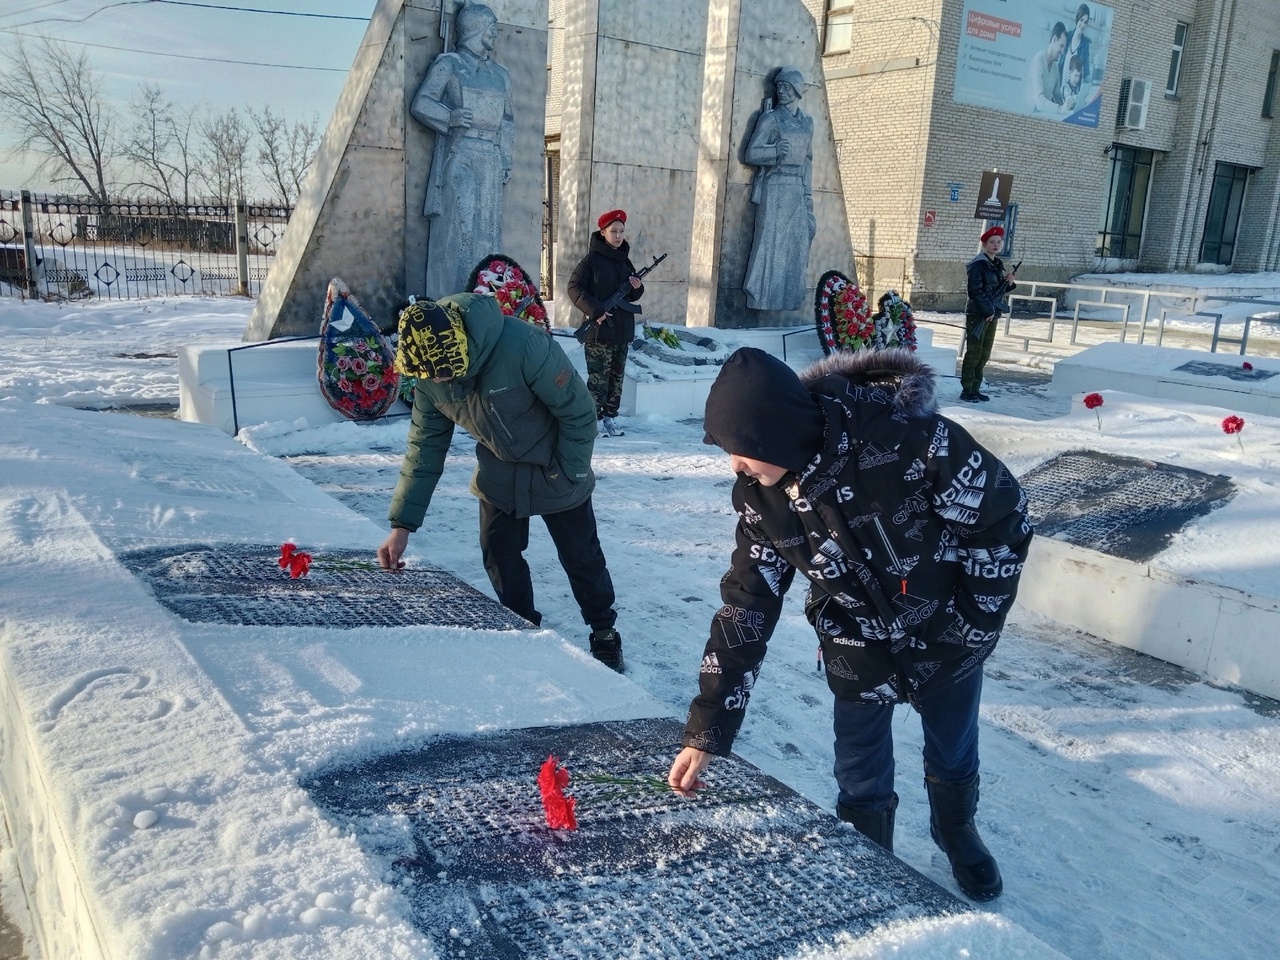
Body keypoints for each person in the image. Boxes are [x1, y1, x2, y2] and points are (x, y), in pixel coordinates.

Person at [667, 346, 1033, 902]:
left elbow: (1003, 520)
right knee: (858, 764)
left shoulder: (912, 440)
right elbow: (748, 602)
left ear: (778, 434)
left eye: (740, 452)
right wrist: (708, 728)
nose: (733, 468)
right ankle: (869, 858)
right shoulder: (761, 497)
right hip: (853, 637)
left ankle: (956, 830)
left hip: (946, 628)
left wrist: (973, 623)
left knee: (953, 745)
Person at [377, 293, 626, 672]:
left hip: (554, 462)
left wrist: (571, 472)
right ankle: (522, 627)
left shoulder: (522, 345)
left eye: (446, 371)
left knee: (581, 557)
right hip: (498, 468)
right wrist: (401, 526)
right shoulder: (429, 378)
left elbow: (579, 412)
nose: (442, 380)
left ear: (460, 344)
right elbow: (425, 447)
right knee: (498, 552)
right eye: (433, 376)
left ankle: (604, 631)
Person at [411, 2, 514, 299]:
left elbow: (508, 121)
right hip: (461, 153)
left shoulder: (500, 74)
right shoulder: (450, 64)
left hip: (491, 158)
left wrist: (506, 159)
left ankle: (487, 300)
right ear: (476, 29)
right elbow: (422, 103)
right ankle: (453, 300)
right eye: (491, 28)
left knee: (488, 233)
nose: (495, 34)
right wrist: (450, 117)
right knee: (460, 230)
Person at [742, 67, 816, 312]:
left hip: (796, 188)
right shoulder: (770, 118)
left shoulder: (807, 122)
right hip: (774, 188)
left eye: (786, 87)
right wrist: (774, 151)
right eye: (778, 87)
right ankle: (763, 299)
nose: (781, 91)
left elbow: (808, 160)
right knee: (770, 245)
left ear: (797, 89)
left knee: (796, 244)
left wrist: (807, 195)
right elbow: (751, 153)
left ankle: (788, 300)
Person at [567, 209, 644, 438]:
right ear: (603, 232)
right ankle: (595, 420)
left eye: (621, 231)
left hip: (621, 330)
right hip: (599, 330)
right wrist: (595, 311)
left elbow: (631, 297)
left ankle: (610, 418)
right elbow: (574, 288)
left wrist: (637, 287)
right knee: (598, 379)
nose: (618, 236)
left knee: (616, 379)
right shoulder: (591, 260)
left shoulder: (625, 261)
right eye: (613, 231)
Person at [961, 225, 1017, 402]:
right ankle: (967, 389)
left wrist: (1009, 282)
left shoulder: (996, 265)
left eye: (998, 242)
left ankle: (976, 388)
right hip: (978, 314)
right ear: (984, 244)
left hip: (991, 314)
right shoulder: (978, 265)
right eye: (992, 242)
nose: (996, 245)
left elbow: (996, 290)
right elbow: (975, 291)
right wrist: (987, 311)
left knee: (984, 353)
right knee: (974, 352)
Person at [1025, 21, 1068, 114]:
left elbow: (1058, 97)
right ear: (1054, 39)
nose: (1062, 51)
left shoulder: (1055, 68)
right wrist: (1060, 109)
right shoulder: (1038, 60)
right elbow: (1039, 102)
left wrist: (1068, 102)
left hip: (1042, 117)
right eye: (1061, 46)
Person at [1057, 4, 1092, 98]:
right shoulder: (1067, 37)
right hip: (1059, 88)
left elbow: (1087, 71)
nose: (1082, 25)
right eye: (1081, 20)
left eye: (1085, 22)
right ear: (1077, 18)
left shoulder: (1085, 44)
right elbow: (1058, 63)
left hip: (1073, 93)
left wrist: (1090, 88)